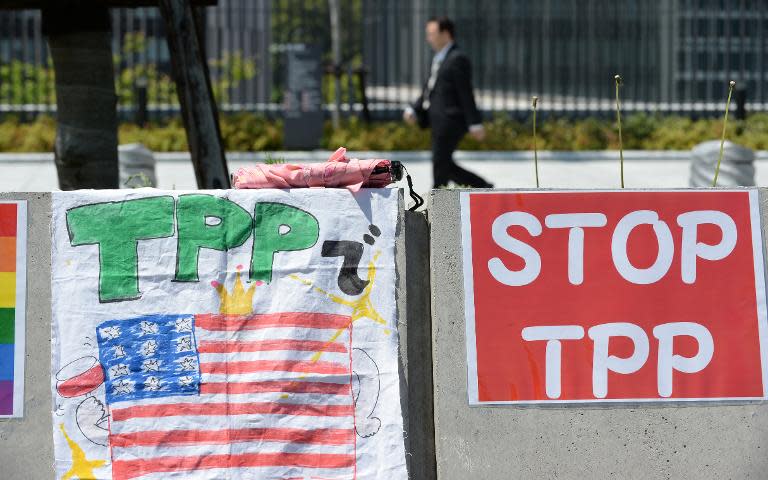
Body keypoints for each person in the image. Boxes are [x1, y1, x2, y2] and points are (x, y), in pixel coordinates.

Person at [404, 16, 493, 189]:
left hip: (451, 121)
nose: (428, 38)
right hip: (438, 120)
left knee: (440, 162)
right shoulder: (440, 58)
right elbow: (429, 88)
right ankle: (482, 186)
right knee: (443, 163)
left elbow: (465, 93)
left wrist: (475, 124)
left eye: (432, 33)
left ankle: (440, 200)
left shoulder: (457, 59)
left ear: (445, 34)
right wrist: (414, 109)